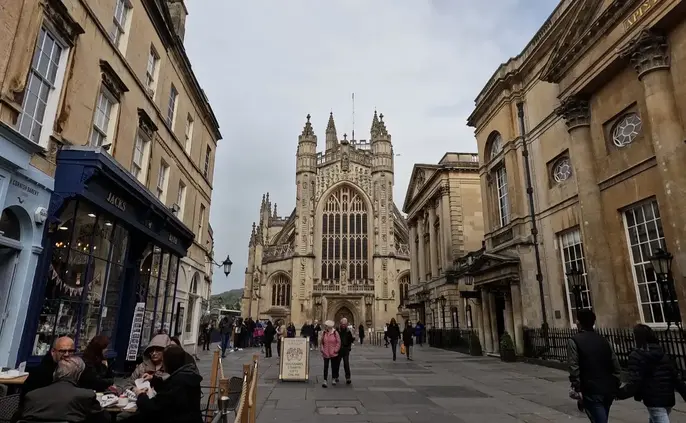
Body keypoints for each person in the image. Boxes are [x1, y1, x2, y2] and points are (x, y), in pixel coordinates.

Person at [617, 324, 686, 422]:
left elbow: (635, 381)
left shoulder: (637, 356)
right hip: (668, 398)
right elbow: (675, 377)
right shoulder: (662, 353)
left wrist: (620, 393)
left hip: (653, 399)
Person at [567, 310, 621, 423]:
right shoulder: (604, 340)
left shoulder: (574, 341)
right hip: (608, 387)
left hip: (591, 389)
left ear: (578, 322)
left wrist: (577, 387)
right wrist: (616, 382)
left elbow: (574, 367)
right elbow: (615, 363)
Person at [21, 356, 109, 423]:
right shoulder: (85, 396)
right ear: (78, 375)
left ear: (55, 373)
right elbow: (105, 419)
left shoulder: (32, 396)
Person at [133, 345, 203, 423]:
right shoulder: (188, 374)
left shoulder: (178, 382)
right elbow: (167, 391)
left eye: (163, 361)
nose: (162, 364)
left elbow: (153, 408)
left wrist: (140, 395)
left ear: (170, 362)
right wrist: (153, 379)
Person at [332, 318, 354, 385]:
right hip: (338, 349)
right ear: (340, 323)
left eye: (345, 324)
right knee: (337, 364)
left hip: (345, 349)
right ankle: (336, 376)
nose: (344, 325)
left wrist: (349, 347)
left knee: (346, 363)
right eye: (343, 324)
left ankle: (348, 377)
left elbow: (351, 340)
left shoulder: (348, 331)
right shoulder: (337, 330)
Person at [320, 320, 341, 388]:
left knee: (333, 366)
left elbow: (338, 342)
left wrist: (336, 350)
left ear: (329, 326)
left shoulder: (335, 333)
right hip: (325, 352)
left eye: (326, 325)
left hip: (333, 353)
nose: (325, 327)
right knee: (325, 367)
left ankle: (333, 379)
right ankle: (325, 380)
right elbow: (321, 342)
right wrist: (322, 349)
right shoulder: (324, 333)